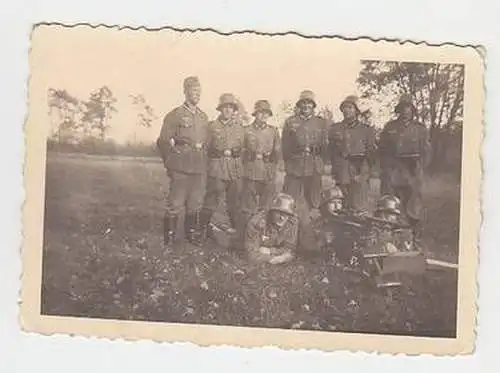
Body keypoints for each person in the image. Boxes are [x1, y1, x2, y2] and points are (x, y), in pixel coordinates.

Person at [156, 76, 209, 247]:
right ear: (185, 92)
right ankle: (169, 237)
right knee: (175, 203)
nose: (197, 95)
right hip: (181, 166)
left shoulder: (203, 116)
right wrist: (170, 163)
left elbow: (207, 142)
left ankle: (191, 235)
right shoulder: (175, 114)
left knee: (195, 203)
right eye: (194, 91)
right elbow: (163, 141)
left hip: (198, 166)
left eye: (199, 91)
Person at [378, 93, 432, 248]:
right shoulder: (390, 127)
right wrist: (386, 167)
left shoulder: (420, 129)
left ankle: (413, 238)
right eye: (402, 108)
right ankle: (390, 239)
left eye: (408, 107)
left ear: (412, 110)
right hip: (394, 170)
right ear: (399, 110)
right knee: (390, 204)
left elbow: (427, 151)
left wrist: (420, 168)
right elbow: (382, 150)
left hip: (413, 171)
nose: (405, 111)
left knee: (413, 205)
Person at [197, 93, 246, 241]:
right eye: (225, 107)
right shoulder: (212, 127)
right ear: (220, 109)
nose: (228, 110)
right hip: (217, 168)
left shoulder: (239, 128)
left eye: (231, 108)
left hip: (234, 170)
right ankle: (202, 230)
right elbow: (205, 148)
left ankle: (237, 233)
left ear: (234, 110)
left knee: (234, 202)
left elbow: (244, 147)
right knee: (211, 200)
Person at [281, 90, 329, 219]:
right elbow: (285, 146)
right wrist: (289, 162)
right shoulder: (291, 122)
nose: (306, 106)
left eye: (309, 103)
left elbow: (325, 147)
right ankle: (288, 226)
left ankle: (313, 229)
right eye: (303, 103)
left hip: (314, 165)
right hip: (295, 165)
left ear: (313, 105)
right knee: (288, 200)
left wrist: (321, 162)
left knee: (314, 202)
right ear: (299, 105)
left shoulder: (321, 122)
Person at [328, 95, 377, 216]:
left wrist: (363, 174)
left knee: (359, 209)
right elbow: (331, 152)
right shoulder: (335, 129)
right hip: (341, 173)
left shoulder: (366, 130)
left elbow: (371, 155)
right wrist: (336, 171)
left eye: (350, 107)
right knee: (340, 208)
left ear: (356, 110)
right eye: (344, 107)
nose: (346, 110)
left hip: (359, 172)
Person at [241, 100, 281, 225]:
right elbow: (241, 151)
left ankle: (265, 232)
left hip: (267, 173)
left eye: (266, 113)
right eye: (260, 112)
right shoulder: (246, 130)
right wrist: (249, 153)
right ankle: (248, 231)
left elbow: (278, 152)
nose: (263, 115)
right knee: (248, 206)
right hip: (251, 172)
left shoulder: (273, 131)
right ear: (255, 114)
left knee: (267, 205)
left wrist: (272, 156)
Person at [244, 193, 300, 265]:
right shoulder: (256, 222)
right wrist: (277, 258)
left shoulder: (292, 222)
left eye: (286, 214)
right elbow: (251, 255)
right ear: (272, 211)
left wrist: (271, 252)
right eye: (279, 213)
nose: (282, 218)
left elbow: (290, 249)